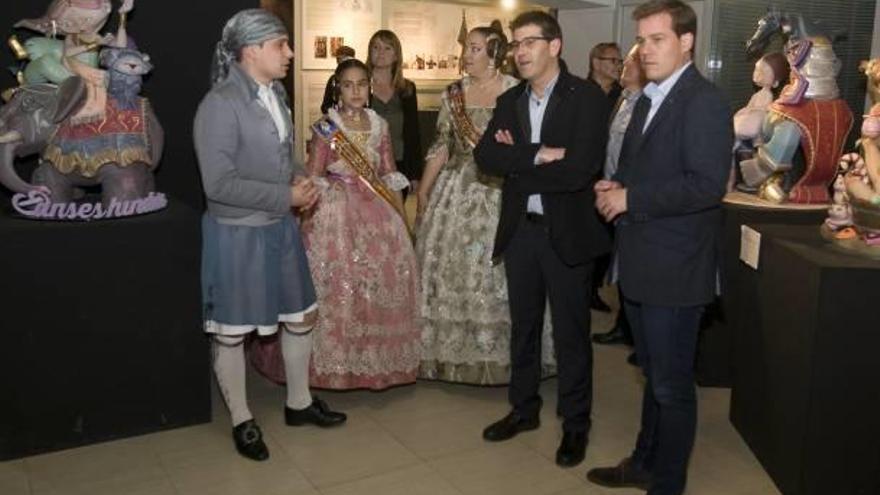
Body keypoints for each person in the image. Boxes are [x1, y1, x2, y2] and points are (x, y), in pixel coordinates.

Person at [588, 1, 733, 494]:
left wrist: (634, 197)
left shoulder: (704, 101)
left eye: (657, 39)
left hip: (677, 269)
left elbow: (707, 185)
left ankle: (666, 484)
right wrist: (616, 187)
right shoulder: (650, 97)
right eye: (641, 40)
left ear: (686, 41)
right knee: (653, 378)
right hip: (642, 261)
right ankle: (645, 462)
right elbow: (640, 170)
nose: (645, 50)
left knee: (672, 388)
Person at [194, 9, 346, 462]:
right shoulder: (219, 105)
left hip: (279, 229)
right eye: (281, 44)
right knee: (232, 332)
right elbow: (217, 186)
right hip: (238, 236)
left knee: (301, 315)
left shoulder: (274, 94)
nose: (291, 52)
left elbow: (284, 156)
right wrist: (287, 196)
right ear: (252, 50)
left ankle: (298, 403)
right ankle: (242, 419)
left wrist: (303, 180)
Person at [473, 11, 611, 468]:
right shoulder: (511, 99)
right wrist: (537, 154)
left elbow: (580, 170)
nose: (520, 51)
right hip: (522, 236)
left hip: (566, 235)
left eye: (530, 41)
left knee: (572, 334)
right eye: (516, 43)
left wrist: (519, 164)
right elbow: (486, 155)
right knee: (524, 327)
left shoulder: (586, 97)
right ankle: (524, 409)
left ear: (554, 46)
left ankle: (575, 425)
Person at [415, 23, 556, 385]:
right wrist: (424, 193)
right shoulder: (453, 95)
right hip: (456, 191)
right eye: (467, 48)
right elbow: (441, 145)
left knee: (502, 274)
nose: (467, 55)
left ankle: (509, 357)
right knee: (449, 268)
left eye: (475, 48)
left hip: (501, 191)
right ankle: (448, 354)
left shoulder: (515, 91)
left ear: (494, 53)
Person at [303, 58, 420, 390]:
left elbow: (387, 173)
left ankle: (379, 360)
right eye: (348, 84)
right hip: (339, 212)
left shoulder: (379, 124)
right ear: (338, 89)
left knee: (381, 281)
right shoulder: (327, 126)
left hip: (378, 209)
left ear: (369, 87)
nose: (355, 90)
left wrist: (401, 218)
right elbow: (314, 174)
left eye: (361, 84)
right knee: (343, 286)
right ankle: (339, 361)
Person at [591, 44, 646, 355]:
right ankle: (625, 327)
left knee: (632, 268)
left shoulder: (645, 105)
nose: (622, 66)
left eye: (627, 62)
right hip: (611, 190)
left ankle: (634, 333)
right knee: (621, 264)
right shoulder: (623, 100)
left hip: (630, 197)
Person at [586, 41, 624, 314]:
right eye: (613, 61)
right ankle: (585, 290)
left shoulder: (624, 96)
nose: (618, 66)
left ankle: (594, 288)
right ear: (597, 62)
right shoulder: (580, 93)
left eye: (620, 61)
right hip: (585, 175)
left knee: (606, 240)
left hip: (611, 177)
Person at [367, 30, 423, 195]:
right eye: (376, 47)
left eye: (387, 48)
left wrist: (415, 174)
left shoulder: (407, 89)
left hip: (399, 164)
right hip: (366, 165)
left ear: (396, 55)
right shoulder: (361, 86)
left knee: (396, 218)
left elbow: (413, 133)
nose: (381, 53)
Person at [320, 45, 356, 114]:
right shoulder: (333, 79)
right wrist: (335, 112)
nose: (341, 63)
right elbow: (325, 106)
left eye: (345, 59)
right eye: (338, 59)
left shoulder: (361, 78)